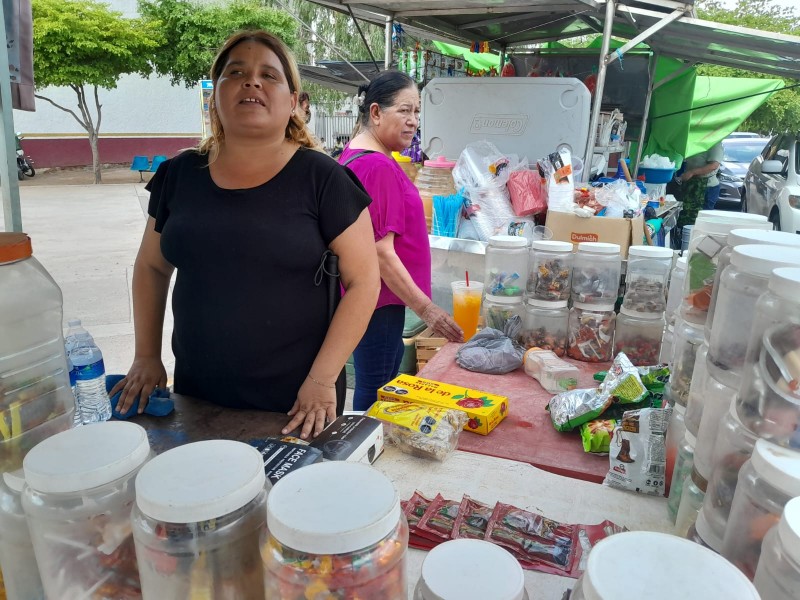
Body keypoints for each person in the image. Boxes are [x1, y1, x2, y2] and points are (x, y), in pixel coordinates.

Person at [110, 30, 380, 439]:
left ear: (292, 102)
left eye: (269, 75)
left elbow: (364, 283)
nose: (251, 81)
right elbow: (151, 265)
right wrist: (146, 354)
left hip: (298, 401)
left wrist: (324, 380)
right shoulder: (178, 176)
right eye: (235, 72)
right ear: (215, 95)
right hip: (196, 393)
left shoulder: (324, 180)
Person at [339, 71, 462, 411]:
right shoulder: (376, 167)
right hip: (379, 302)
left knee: (380, 384)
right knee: (377, 390)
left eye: (417, 113)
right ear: (375, 113)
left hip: (378, 300)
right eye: (404, 111)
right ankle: (365, 454)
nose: (413, 122)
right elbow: (379, 251)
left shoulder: (357, 155)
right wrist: (428, 309)